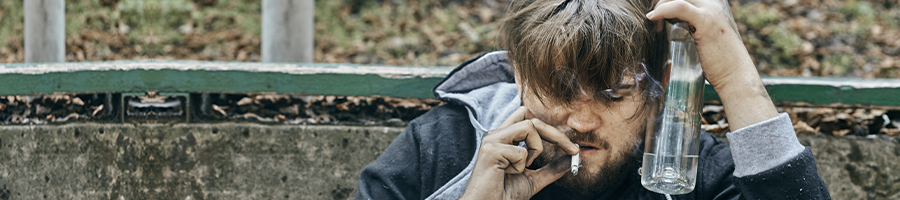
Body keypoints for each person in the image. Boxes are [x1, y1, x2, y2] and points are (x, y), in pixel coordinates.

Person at [355, 0, 831, 199]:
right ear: (518, 72)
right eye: (558, 90)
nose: (581, 120)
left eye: (614, 93)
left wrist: (733, 77)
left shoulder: (695, 177)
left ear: (656, 85)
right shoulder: (445, 149)